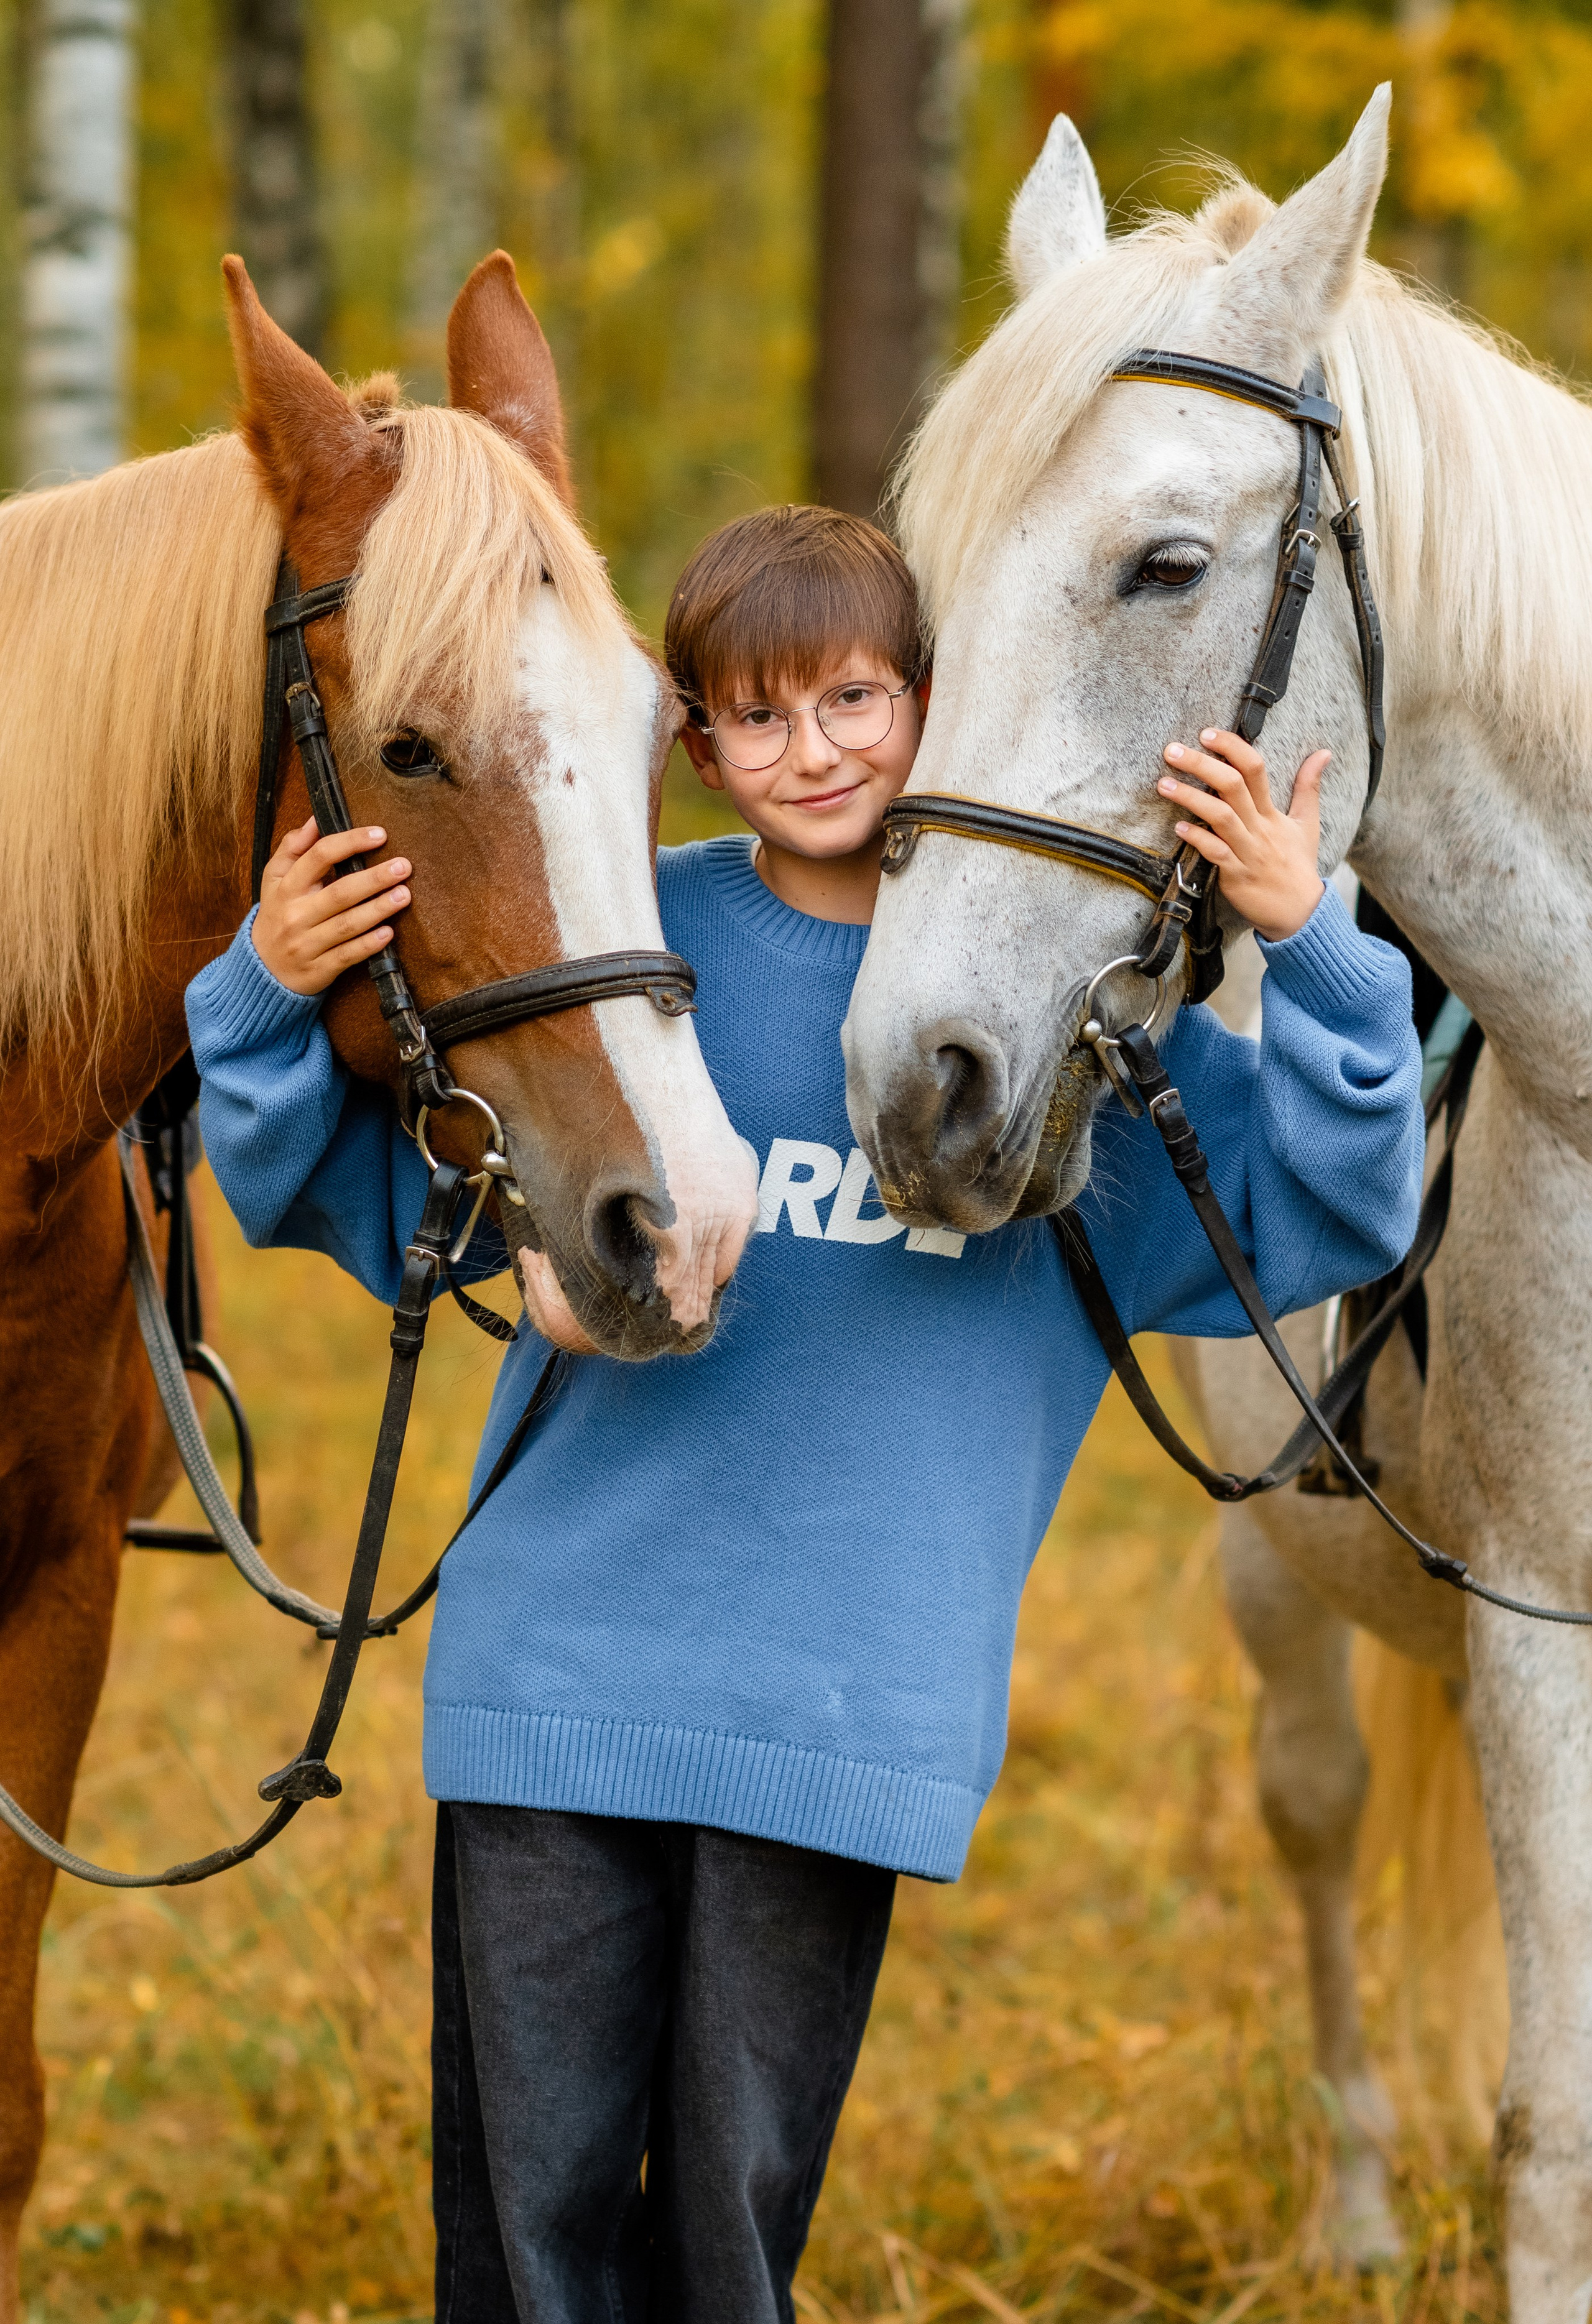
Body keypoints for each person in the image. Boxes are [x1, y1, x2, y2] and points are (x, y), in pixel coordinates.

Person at [186, 502, 1423, 2324]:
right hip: (555, 1694)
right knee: (524, 2248)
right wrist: (261, 992)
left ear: (931, 699)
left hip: (837, 1728)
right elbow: (357, 1197)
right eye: (757, 716)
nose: (815, 749)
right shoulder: (633, 949)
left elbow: (1329, 1209)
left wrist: (1313, 944)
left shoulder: (1040, 1011)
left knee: (728, 2250)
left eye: (854, 698)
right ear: (696, 745)